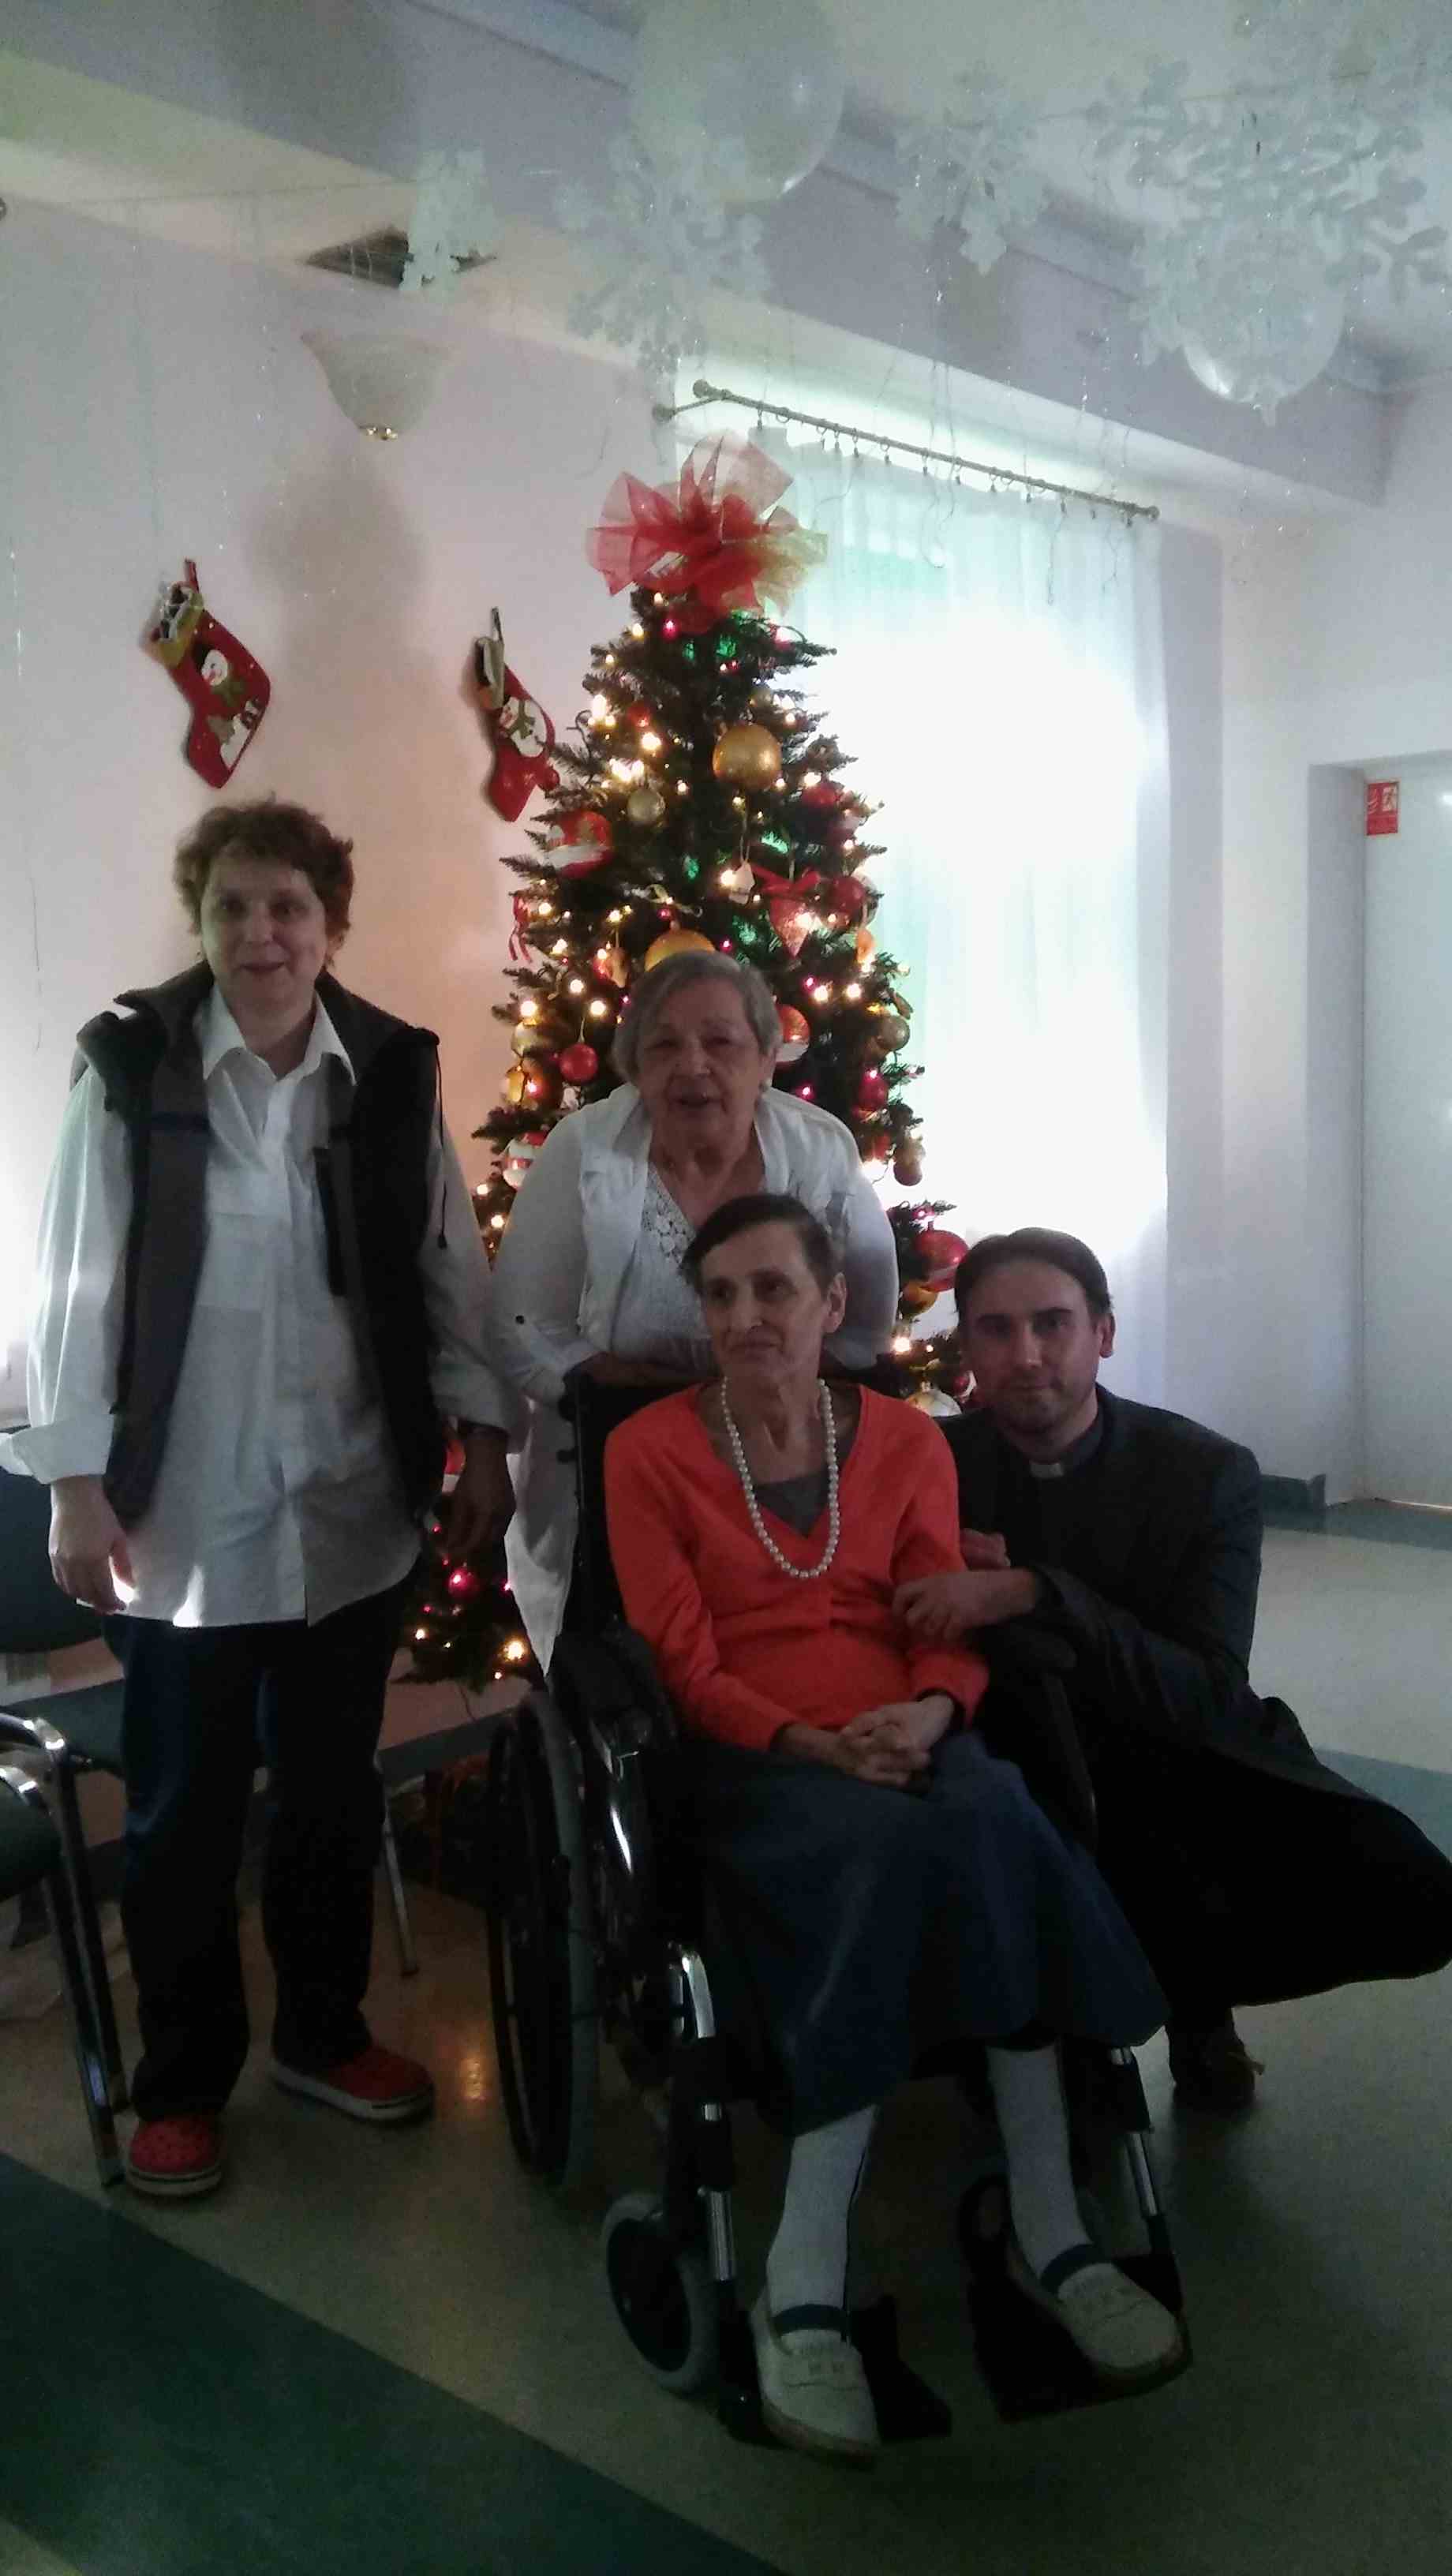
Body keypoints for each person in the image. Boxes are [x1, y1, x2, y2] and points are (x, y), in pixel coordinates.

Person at [604, 1194, 1183, 2464]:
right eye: (722, 1295)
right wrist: (810, 1744)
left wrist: (929, 1713)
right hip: (754, 1760)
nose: (747, 1317)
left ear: (832, 1304)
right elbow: (681, 1665)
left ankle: (1051, 2227)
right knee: (886, 1847)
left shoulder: (909, 1442)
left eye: (774, 1289)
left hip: (908, 1729)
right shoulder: (647, 1452)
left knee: (1001, 1818)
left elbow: (944, 1618)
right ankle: (802, 2274)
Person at [0, 799, 515, 2200]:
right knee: (184, 1813)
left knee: (332, 1798)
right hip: (186, 1525)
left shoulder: (391, 1070)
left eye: (287, 905)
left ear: (331, 925)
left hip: (351, 1508)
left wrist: (482, 1436)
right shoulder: (133, 1064)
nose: (260, 932)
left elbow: (447, 1268)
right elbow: (73, 1283)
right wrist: (72, 1486)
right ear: (203, 921)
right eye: (231, 906)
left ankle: (321, 2034)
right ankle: (181, 2082)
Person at [895, 1227, 1452, 2113]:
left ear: (1104, 1333)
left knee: (1412, 1894)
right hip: (1008, 1758)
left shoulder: (1203, 1474)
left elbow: (1206, 1690)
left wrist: (1033, 1592)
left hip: (1176, 1753)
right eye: (995, 1329)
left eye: (1052, 1324)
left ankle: (1191, 1996)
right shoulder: (930, 1466)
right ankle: (1061, 2032)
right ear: (966, 1346)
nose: (1026, 1355)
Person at [488, 952, 900, 1670]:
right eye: (664, 1045)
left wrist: (764, 1402)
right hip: (618, 1459)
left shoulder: (816, 1149)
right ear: (634, 1065)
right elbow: (524, 1328)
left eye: (720, 1041)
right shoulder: (585, 1150)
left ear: (767, 1057)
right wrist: (669, 1407)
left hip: (787, 1458)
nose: (692, 1066)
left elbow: (865, 1321)